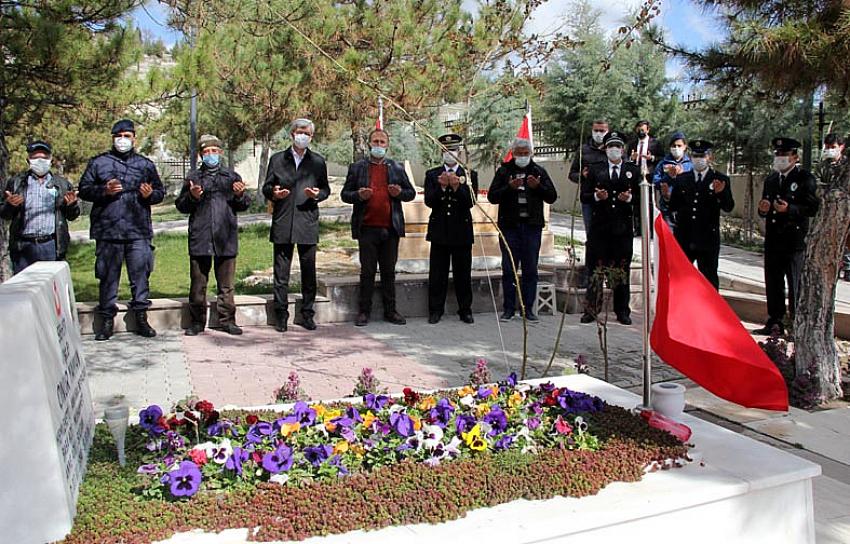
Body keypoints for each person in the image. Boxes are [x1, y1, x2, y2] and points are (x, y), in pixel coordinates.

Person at [79, 119, 165, 341]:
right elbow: (84, 189)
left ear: (134, 138)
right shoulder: (99, 163)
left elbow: (159, 192)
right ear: (113, 138)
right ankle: (107, 320)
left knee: (141, 275)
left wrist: (150, 195)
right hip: (108, 231)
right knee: (108, 277)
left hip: (138, 230)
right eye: (119, 136)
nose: (123, 140)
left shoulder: (145, 164)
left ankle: (141, 317)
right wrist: (104, 191)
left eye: (127, 136)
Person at [175, 134, 250, 336]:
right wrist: (192, 197)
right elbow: (181, 206)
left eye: (214, 151)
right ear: (201, 155)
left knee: (226, 285)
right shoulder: (193, 178)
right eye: (206, 152)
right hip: (201, 237)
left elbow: (243, 205)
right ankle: (197, 322)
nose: (211, 155)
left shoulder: (232, 177)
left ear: (221, 153)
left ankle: (227, 321)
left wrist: (240, 195)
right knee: (198, 284)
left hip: (225, 237)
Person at [341, 128, 416, 327]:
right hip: (366, 227)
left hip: (390, 228)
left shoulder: (397, 168)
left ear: (387, 145)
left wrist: (399, 192)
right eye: (376, 141)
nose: (379, 145)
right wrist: (358, 195)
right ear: (369, 144)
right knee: (367, 271)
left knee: (389, 271)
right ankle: (363, 312)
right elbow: (345, 195)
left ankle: (390, 311)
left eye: (382, 142)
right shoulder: (357, 167)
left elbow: (411, 193)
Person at [262, 118, 331, 332]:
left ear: (311, 137)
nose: (303, 136)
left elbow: (326, 189)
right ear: (292, 134)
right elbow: (266, 187)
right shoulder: (277, 160)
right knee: (281, 273)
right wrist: (274, 193)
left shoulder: (318, 162)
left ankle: (307, 314)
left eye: (307, 133)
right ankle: (281, 314)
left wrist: (318, 194)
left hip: (307, 221)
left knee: (308, 272)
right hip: (283, 221)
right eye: (300, 132)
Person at [753, 137, 820, 336]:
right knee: (773, 282)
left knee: (795, 283)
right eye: (777, 154)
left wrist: (789, 209)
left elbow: (812, 208)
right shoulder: (772, 180)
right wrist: (763, 209)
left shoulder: (804, 178)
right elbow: (765, 205)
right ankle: (775, 322)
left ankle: (796, 323)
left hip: (793, 240)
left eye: (784, 154)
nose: (780, 158)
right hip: (773, 239)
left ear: (794, 157)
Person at [488, 137, 558, 322]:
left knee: (530, 269)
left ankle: (528, 309)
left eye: (525, 153)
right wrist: (509, 188)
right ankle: (509, 309)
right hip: (509, 227)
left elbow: (552, 196)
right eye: (519, 153)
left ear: (531, 153)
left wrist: (538, 187)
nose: (522, 156)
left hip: (531, 227)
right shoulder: (504, 171)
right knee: (509, 268)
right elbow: (492, 197)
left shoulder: (538, 171)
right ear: (513, 153)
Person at [579, 131, 640, 325]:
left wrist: (629, 199)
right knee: (595, 269)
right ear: (605, 149)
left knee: (621, 270)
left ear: (623, 150)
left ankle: (622, 310)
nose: (614, 150)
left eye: (618, 147)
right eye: (611, 146)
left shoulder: (633, 170)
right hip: (600, 229)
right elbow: (584, 196)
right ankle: (591, 309)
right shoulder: (596, 169)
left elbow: (642, 200)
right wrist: (597, 197)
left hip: (622, 231)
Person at [660, 139, 734, 289]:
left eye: (702, 156)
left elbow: (728, 207)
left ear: (710, 157)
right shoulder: (682, 179)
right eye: (695, 156)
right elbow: (674, 206)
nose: (698, 159)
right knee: (680, 278)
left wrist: (720, 194)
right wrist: (667, 197)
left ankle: (710, 312)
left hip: (707, 238)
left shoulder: (719, 179)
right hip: (685, 237)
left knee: (709, 278)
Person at [1, 140, 80, 274]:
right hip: (23, 246)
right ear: (28, 160)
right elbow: (5, 214)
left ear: (51, 160)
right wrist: (10, 205)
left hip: (50, 245)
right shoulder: (16, 183)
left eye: (44, 157)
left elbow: (72, 216)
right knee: (24, 288)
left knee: (50, 289)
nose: (40, 161)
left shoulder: (62, 184)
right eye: (35, 157)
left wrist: (71, 205)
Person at [424, 133, 478, 324]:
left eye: (453, 150)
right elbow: (429, 201)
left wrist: (456, 187)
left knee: (463, 273)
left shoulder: (469, 174)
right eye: (446, 150)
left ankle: (465, 309)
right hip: (439, 231)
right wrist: (441, 187)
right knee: (437, 273)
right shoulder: (432, 174)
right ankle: (435, 310)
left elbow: (471, 202)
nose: (450, 153)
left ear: (459, 152)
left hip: (461, 232)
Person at [569, 119, 609, 235]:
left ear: (608, 131)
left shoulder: (613, 148)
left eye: (602, 131)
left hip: (609, 198)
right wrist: (582, 175)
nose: (598, 133)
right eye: (596, 130)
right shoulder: (583, 150)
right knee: (591, 234)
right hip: (589, 198)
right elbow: (572, 174)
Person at [819, 134, 850, 280]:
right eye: (827, 147)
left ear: (841, 147)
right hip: (826, 213)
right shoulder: (822, 166)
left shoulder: (846, 166)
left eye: (833, 147)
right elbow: (817, 187)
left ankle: (848, 268)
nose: (829, 150)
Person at [627, 120, 663, 235]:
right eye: (639, 129)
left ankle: (651, 229)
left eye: (643, 130)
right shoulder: (632, 144)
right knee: (636, 203)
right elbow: (627, 159)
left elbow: (661, 157)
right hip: (636, 176)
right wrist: (632, 158)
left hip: (649, 175)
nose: (641, 132)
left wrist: (651, 158)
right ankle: (637, 228)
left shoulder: (655, 143)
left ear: (648, 130)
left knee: (650, 203)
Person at [653, 131, 693, 229]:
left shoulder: (690, 164)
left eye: (679, 145)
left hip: (685, 208)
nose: (676, 148)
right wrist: (668, 177)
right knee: (669, 239)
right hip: (667, 208)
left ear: (684, 147)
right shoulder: (663, 163)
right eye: (674, 146)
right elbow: (656, 182)